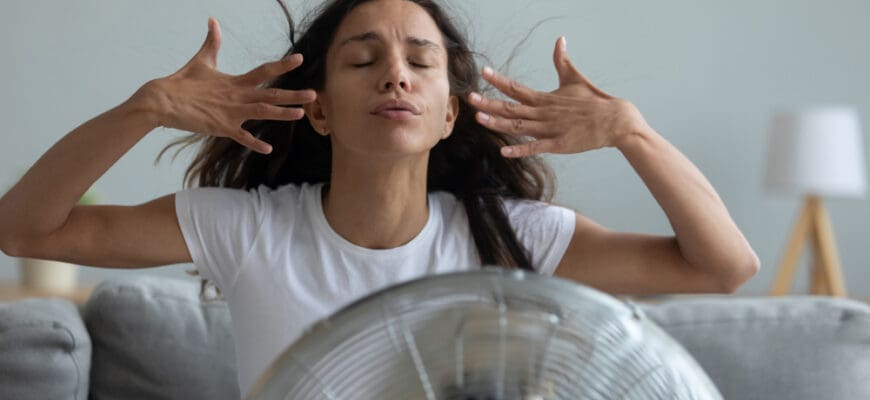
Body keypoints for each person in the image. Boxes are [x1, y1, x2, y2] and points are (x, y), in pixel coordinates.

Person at [0, 0, 759, 395]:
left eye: (419, 62)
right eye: (363, 60)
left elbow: (723, 267)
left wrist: (631, 132)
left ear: (449, 114)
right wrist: (145, 108)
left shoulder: (511, 237)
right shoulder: (247, 229)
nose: (395, 74)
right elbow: (27, 231)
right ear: (321, 111)